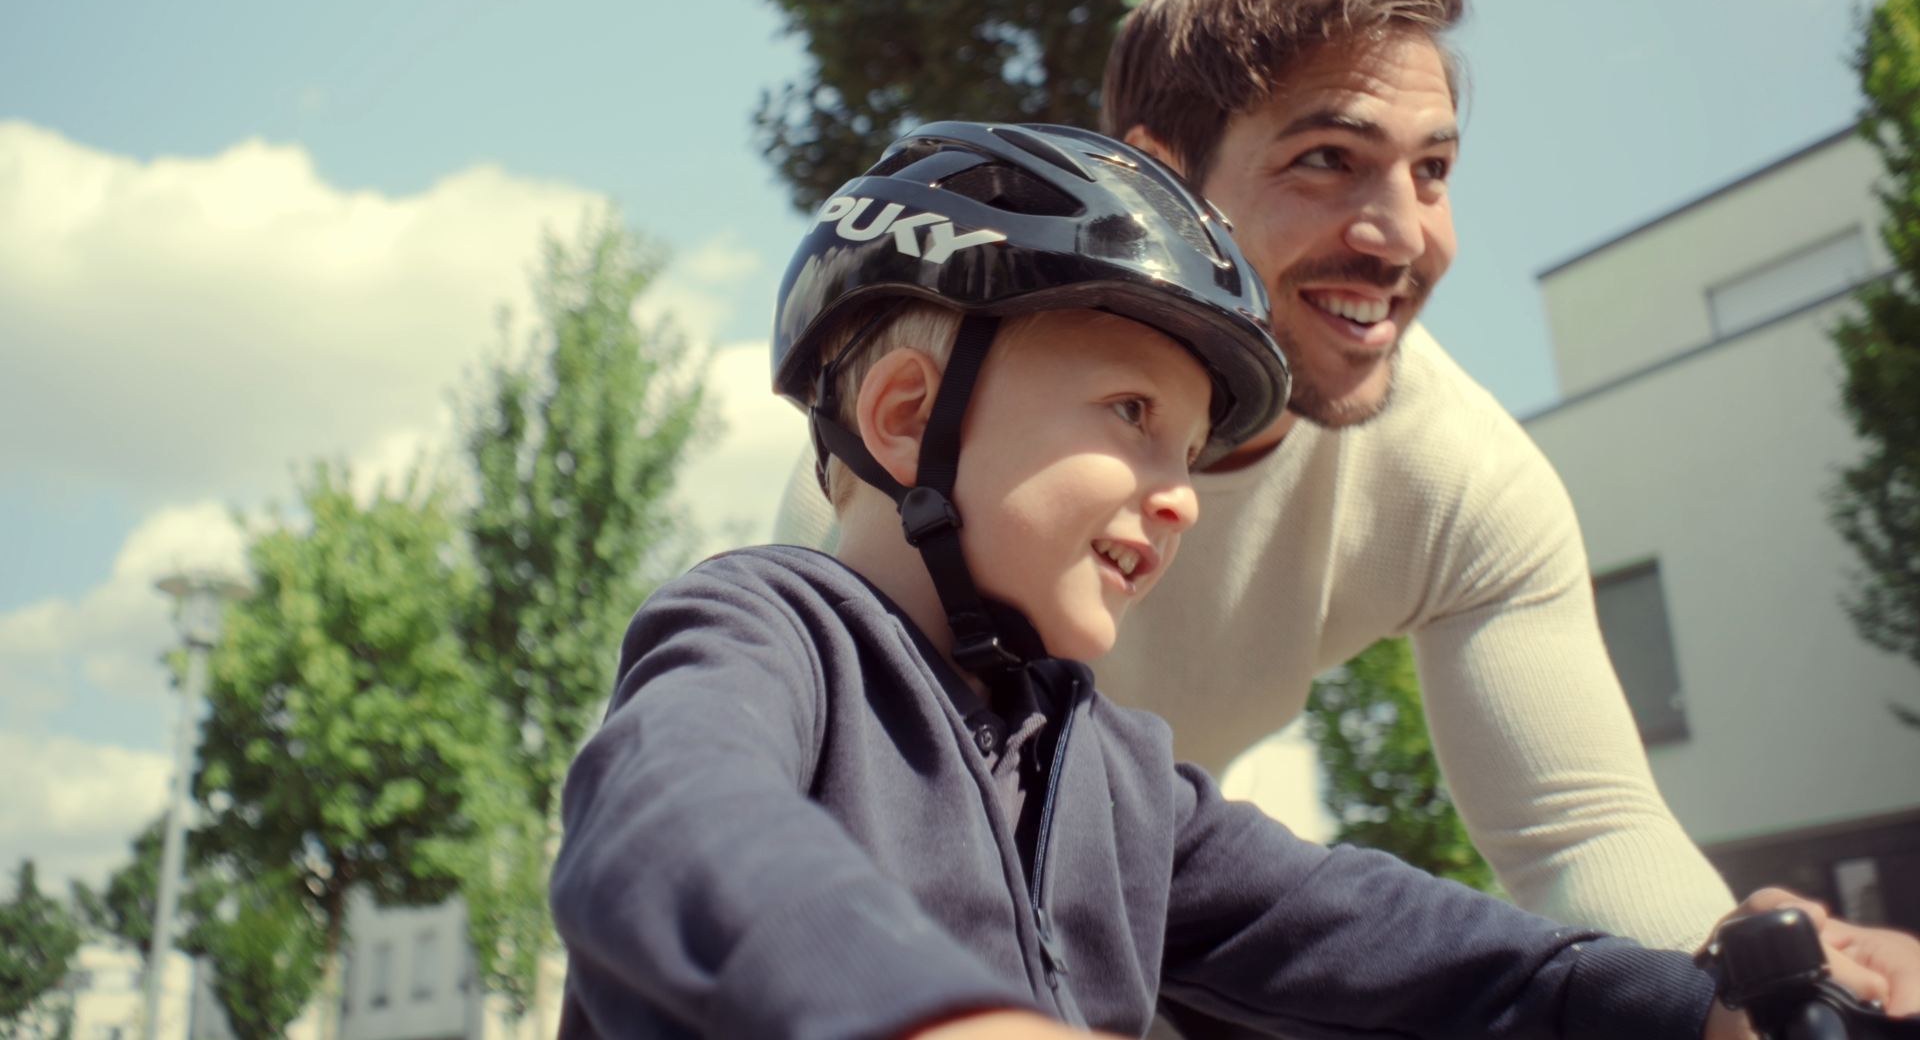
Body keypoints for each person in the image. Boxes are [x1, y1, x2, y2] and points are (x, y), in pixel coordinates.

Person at [549, 122, 1917, 1040]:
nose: (1181, 492)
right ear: (908, 416)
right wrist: (929, 1016)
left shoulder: (1114, 779)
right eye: (1134, 416)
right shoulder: (768, 630)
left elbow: (1390, 941)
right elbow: (672, 824)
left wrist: (1695, 1004)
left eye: (1196, 452)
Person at [772, 0, 1734, 955]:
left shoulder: (1462, 481)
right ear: (1159, 174)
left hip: (1143, 927)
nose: (1403, 234)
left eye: (1433, 170)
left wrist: (1755, 971)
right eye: (1325, 158)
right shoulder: (917, 458)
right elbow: (769, 825)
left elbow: (1580, 830)